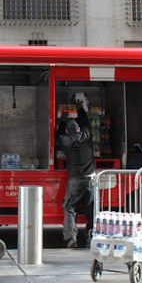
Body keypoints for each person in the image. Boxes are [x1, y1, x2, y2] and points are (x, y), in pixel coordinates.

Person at [57, 98, 96, 248]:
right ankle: (91, 238)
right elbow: (86, 123)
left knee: (70, 208)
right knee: (91, 210)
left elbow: (59, 133)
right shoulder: (86, 137)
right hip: (91, 179)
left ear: (68, 132)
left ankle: (71, 239)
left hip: (75, 179)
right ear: (78, 130)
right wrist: (80, 108)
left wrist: (63, 117)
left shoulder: (65, 141)